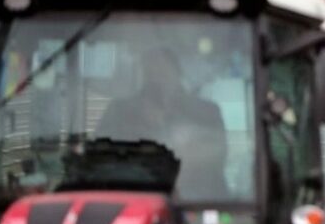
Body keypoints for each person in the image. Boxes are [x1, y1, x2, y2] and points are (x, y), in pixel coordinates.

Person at [96, 46, 228, 199]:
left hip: (200, 200)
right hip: (136, 197)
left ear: (176, 71)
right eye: (150, 71)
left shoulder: (205, 112)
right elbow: (101, 157)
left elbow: (217, 155)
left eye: (162, 70)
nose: (157, 77)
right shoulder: (119, 111)